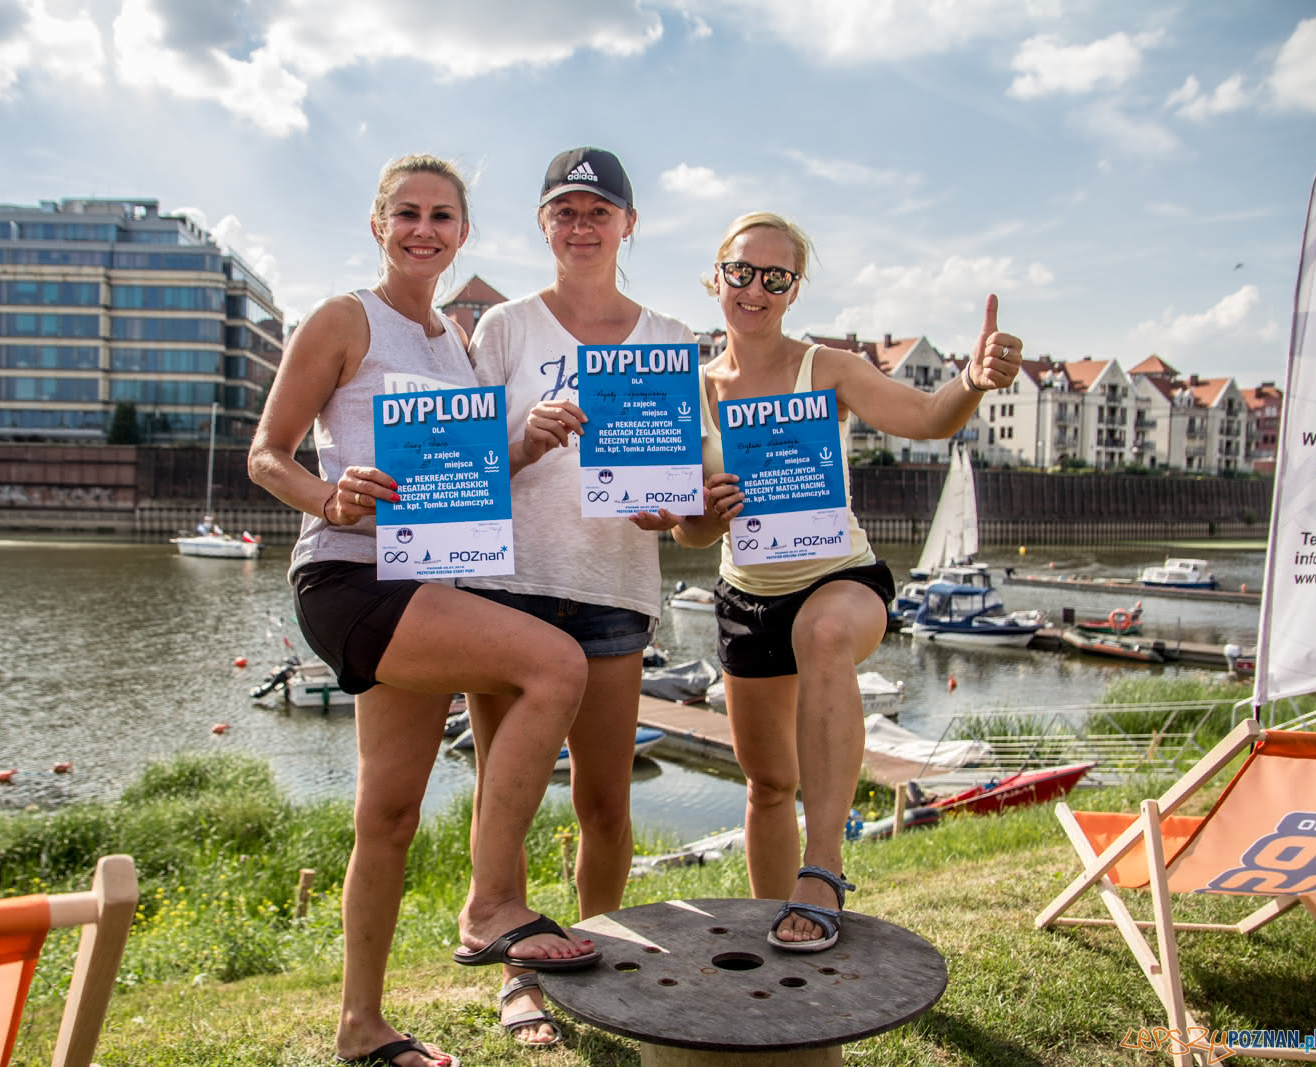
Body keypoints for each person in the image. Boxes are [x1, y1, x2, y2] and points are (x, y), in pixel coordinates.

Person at [246, 154, 599, 1067]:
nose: (424, 229)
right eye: (407, 212)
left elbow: (464, 482)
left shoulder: (453, 340)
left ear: (463, 234)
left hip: (426, 581)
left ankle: (361, 1029)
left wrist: (529, 437)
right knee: (556, 664)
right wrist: (329, 497)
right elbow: (265, 454)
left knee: (390, 816)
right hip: (350, 579)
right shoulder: (341, 319)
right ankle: (490, 903)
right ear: (378, 224)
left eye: (442, 216)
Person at [671, 211, 1023, 953]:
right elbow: (690, 533)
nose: (756, 288)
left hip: (839, 575)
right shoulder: (691, 389)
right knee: (767, 784)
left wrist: (972, 380)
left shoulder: (825, 367)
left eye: (777, 276)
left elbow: (926, 417)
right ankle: (777, 933)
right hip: (746, 596)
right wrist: (704, 510)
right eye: (742, 271)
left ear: (794, 290)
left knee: (824, 632)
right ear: (716, 278)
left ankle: (823, 867)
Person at [460, 146, 696, 1047]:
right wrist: (524, 435)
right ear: (543, 225)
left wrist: (672, 506)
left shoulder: (670, 335)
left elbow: (681, 495)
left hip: (613, 588)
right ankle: (519, 970)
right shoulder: (507, 329)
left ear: (628, 224)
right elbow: (470, 462)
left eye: (599, 210)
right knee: (504, 796)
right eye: (565, 209)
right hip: (510, 587)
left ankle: (595, 963)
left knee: (605, 801)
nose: (582, 224)